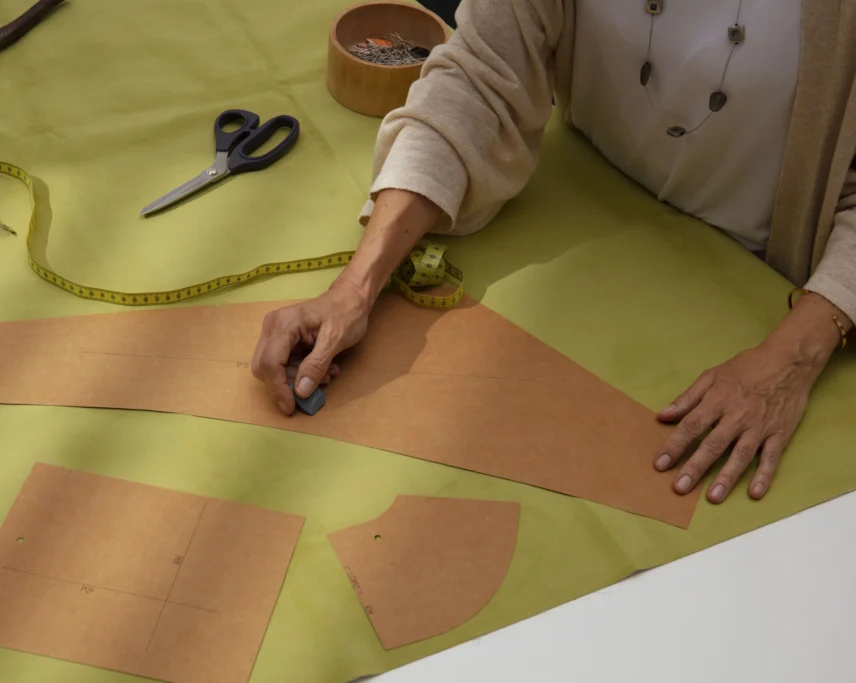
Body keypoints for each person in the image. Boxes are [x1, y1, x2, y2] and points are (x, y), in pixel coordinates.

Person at [251, 0, 856, 505]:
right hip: (587, 215)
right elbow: (479, 79)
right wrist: (356, 285)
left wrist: (791, 360)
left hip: (771, 302)